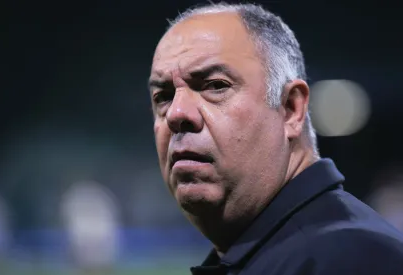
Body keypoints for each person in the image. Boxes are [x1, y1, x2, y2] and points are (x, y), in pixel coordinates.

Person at [148, 3, 403, 275]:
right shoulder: (289, 252)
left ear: (291, 109)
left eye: (215, 85)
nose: (176, 113)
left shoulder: (349, 258)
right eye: (163, 96)